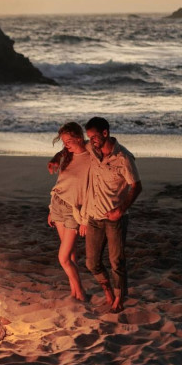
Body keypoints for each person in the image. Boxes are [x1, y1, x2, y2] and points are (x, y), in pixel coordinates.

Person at [65, 117, 142, 313]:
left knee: (116, 261)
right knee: (92, 262)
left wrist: (121, 210)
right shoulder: (92, 150)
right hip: (94, 217)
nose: (91, 141)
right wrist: (56, 159)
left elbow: (136, 186)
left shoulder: (124, 158)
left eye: (94, 137)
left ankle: (119, 298)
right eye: (89, 137)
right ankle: (107, 289)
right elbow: (73, 147)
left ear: (105, 133)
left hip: (115, 219)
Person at [47, 122, 92, 302]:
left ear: (80, 138)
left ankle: (80, 291)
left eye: (69, 141)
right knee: (71, 254)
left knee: (63, 257)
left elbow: (91, 192)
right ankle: (74, 291)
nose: (66, 145)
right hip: (57, 204)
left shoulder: (91, 158)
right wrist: (51, 210)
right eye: (64, 142)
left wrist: (85, 220)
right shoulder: (66, 156)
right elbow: (60, 183)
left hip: (74, 210)